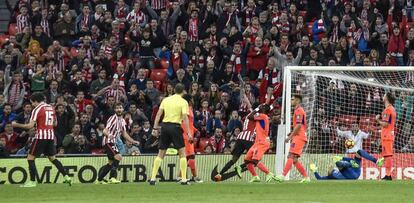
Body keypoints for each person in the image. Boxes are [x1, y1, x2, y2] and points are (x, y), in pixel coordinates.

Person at [12, 92, 72, 187]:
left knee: (30, 158)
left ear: (36, 101)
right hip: (50, 136)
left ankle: (32, 181)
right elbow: (55, 124)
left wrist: (16, 124)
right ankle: (66, 177)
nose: (32, 105)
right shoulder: (51, 108)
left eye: (32, 102)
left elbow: (29, 126)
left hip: (41, 137)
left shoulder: (37, 109)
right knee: (52, 158)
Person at [149, 83, 192, 185]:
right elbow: (185, 118)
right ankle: (184, 179)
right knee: (182, 153)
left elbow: (158, 114)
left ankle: (153, 178)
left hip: (164, 126)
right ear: (183, 91)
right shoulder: (183, 102)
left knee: (161, 153)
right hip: (175, 127)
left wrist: (155, 127)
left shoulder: (166, 100)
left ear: (174, 90)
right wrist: (188, 132)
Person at [96, 103, 139, 184]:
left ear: (123, 109)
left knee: (110, 163)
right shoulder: (112, 119)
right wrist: (109, 135)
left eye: (120, 108)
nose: (119, 109)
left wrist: (133, 141)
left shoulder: (122, 120)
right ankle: (112, 178)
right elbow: (105, 130)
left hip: (113, 142)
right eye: (117, 108)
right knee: (118, 156)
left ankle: (99, 180)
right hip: (108, 141)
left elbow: (124, 133)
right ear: (114, 110)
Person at [357, 92, 396, 180]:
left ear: (386, 98)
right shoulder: (392, 109)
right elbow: (387, 125)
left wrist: (377, 119)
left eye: (384, 95)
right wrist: (376, 127)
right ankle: (388, 174)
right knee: (387, 155)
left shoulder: (387, 110)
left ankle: (388, 175)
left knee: (388, 155)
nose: (383, 96)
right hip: (389, 135)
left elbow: (385, 124)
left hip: (387, 136)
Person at [275, 94, 310, 183]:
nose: (291, 101)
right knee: (294, 160)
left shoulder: (299, 110)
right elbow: (299, 126)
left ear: (298, 101)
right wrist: (292, 133)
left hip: (299, 137)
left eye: (292, 99)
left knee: (290, 156)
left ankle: (282, 176)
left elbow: (298, 125)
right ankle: (306, 177)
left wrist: (290, 137)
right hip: (299, 136)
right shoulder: (297, 110)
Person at [240, 104, 276, 182]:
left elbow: (249, 117)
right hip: (257, 142)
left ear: (263, 109)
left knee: (255, 161)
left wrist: (257, 108)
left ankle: (269, 173)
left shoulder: (263, 116)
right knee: (247, 161)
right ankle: (255, 176)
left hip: (262, 142)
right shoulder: (263, 117)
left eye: (262, 107)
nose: (260, 107)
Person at [177, 94, 202, 183]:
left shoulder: (190, 108)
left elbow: (190, 123)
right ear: (189, 100)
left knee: (188, 157)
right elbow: (183, 123)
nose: (193, 100)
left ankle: (180, 176)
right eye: (192, 99)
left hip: (190, 134)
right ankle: (194, 177)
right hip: (186, 136)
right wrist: (187, 134)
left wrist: (195, 130)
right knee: (190, 156)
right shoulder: (185, 109)